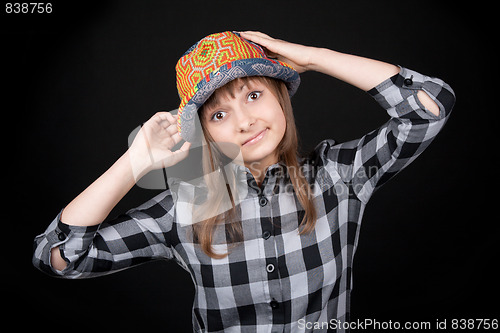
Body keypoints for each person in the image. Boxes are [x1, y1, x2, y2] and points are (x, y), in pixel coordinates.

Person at [33, 31, 455, 332]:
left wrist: (310, 57)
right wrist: (135, 161)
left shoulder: (338, 176)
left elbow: (430, 107)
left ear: (279, 97)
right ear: (206, 133)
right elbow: (59, 257)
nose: (244, 121)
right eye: (219, 114)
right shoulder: (185, 207)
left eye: (253, 95)